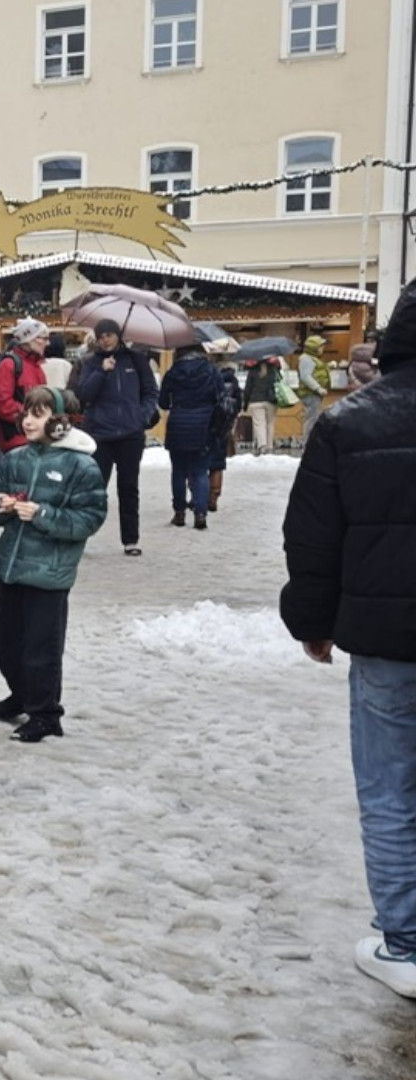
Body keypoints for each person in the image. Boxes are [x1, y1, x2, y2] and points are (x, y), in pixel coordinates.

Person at [280, 277, 416, 999]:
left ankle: (406, 943)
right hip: (384, 632)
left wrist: (313, 620)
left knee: (390, 788)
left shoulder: (351, 421)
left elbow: (312, 535)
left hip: (386, 635)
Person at [0, 388, 108, 743]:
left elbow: (90, 518)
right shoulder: (14, 458)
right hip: (11, 566)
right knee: (9, 643)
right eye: (26, 413)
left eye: (38, 414)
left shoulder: (81, 465)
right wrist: (1, 506)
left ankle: (45, 712)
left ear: (60, 421)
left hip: (50, 573)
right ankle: (21, 694)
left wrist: (44, 514)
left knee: (42, 646)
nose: (27, 420)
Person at [75, 318, 159, 557]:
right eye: (101, 337)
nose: (106, 340)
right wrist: (102, 372)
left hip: (130, 435)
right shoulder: (91, 363)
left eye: (110, 335)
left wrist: (141, 416)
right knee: (95, 489)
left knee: (129, 487)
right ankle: (81, 535)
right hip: (100, 434)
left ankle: (131, 539)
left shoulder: (136, 360)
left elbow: (151, 392)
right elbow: (83, 395)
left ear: (118, 336)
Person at [158, 340, 228, 530]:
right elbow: (221, 397)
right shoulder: (211, 371)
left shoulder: (173, 372)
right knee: (200, 471)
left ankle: (179, 513)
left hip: (178, 424)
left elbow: (163, 402)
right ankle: (200, 514)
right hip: (204, 425)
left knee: (179, 471)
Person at [0, 318, 50, 456]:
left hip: (34, 440)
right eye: (43, 338)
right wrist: (32, 417)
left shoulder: (37, 367)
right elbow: (0, 403)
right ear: (29, 339)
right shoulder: (9, 365)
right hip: (16, 442)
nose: (47, 343)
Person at [208, 342, 243, 511]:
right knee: (218, 463)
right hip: (224, 425)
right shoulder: (234, 380)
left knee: (201, 462)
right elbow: (238, 404)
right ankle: (214, 497)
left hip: (208, 423)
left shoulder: (210, 377)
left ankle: (200, 495)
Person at [243, 354, 282, 454]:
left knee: (259, 424)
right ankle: (269, 446)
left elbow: (248, 389)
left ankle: (262, 446)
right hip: (271, 400)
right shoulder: (274, 370)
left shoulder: (252, 371)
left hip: (256, 401)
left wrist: (245, 403)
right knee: (270, 424)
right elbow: (280, 383)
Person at [297, 334, 332, 439]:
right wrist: (318, 388)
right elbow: (306, 376)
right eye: (320, 346)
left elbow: (317, 371)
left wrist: (329, 366)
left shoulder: (312, 358)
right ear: (314, 348)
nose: (322, 349)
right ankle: (308, 444)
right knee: (311, 419)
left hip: (313, 394)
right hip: (311, 394)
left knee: (313, 418)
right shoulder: (306, 359)